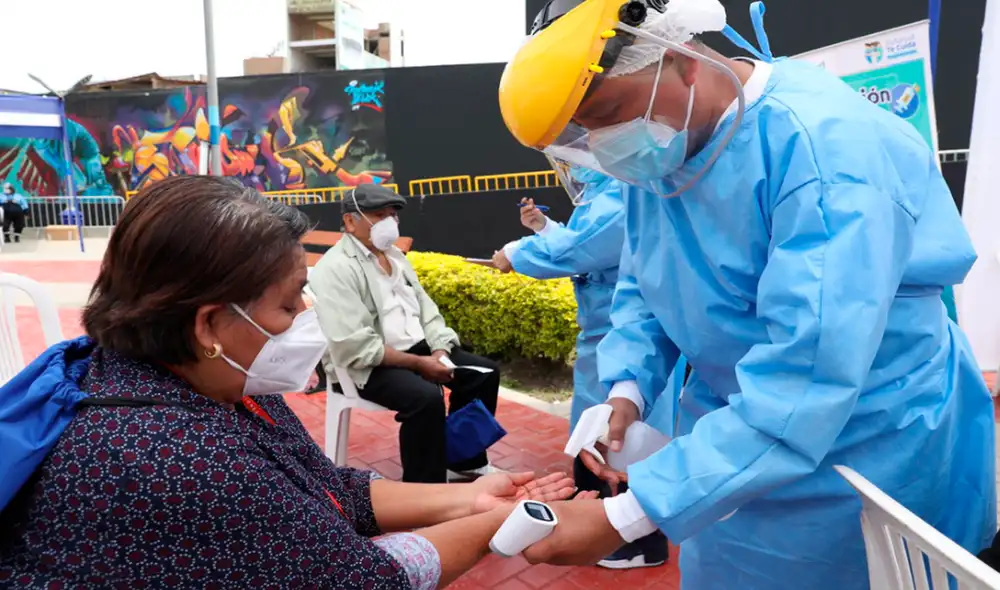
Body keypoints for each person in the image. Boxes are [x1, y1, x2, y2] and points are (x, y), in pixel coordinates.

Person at [495, 1, 997, 589]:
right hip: (731, 445)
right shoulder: (668, 150)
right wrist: (627, 391)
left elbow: (810, 372)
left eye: (608, 114)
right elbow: (644, 279)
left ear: (681, 60)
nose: (604, 144)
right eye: (584, 134)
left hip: (863, 443)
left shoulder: (821, 152)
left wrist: (627, 515)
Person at [0, 176, 590, 589]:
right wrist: (499, 524)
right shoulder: (174, 458)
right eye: (288, 305)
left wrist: (469, 498)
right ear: (209, 323)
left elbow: (327, 488)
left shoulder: (214, 386)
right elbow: (365, 578)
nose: (307, 316)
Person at [491, 169, 668, 569]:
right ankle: (603, 527)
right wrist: (545, 228)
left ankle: (635, 541)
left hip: (618, 332)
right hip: (607, 332)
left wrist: (518, 252)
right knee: (597, 432)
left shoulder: (627, 188)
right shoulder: (608, 189)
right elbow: (583, 242)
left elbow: (582, 249)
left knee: (617, 441)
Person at [309, 184, 503, 484]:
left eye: (393, 216)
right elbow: (355, 346)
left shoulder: (396, 257)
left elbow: (427, 309)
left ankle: (463, 461)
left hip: (418, 349)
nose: (389, 223)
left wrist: (439, 350)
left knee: (485, 373)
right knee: (425, 399)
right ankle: (423, 488)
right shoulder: (335, 269)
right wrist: (419, 365)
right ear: (350, 221)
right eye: (378, 215)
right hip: (369, 365)